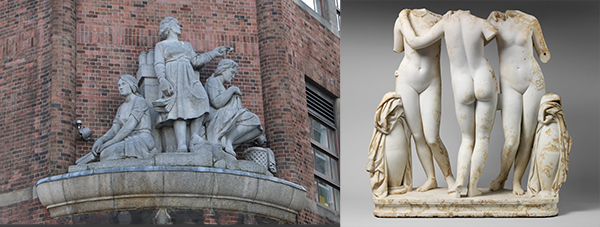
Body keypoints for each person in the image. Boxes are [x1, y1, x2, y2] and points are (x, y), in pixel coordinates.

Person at [401, 10, 498, 197]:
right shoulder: (479, 21)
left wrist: (403, 17)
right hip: (484, 77)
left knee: (467, 139)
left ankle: (459, 181)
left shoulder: (446, 23)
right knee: (482, 137)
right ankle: (473, 187)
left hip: (462, 83)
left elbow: (414, 42)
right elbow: (488, 37)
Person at [487, 10, 551, 195]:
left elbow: (543, 53)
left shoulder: (531, 20)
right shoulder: (497, 21)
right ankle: (502, 175)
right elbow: (479, 42)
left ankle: (517, 180)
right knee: (511, 141)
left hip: (533, 80)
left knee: (527, 137)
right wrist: (489, 20)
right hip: (509, 84)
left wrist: (546, 51)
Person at [392, 9, 455, 192]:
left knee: (432, 136)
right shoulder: (401, 21)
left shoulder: (440, 20)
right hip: (406, 81)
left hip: (431, 82)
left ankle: (449, 177)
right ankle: (431, 178)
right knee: (417, 135)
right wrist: (402, 18)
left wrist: (403, 17)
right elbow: (398, 48)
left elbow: (414, 43)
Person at [152, 16, 230, 152]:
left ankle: (195, 136)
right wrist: (162, 80)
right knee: (179, 109)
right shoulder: (162, 45)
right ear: (169, 26)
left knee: (202, 99)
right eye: (176, 23)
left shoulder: (186, 45)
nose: (179, 26)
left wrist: (214, 53)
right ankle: (181, 144)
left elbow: (195, 61)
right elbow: (159, 63)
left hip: (189, 75)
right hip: (173, 75)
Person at [84, 74, 155, 163]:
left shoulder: (140, 101)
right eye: (119, 85)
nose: (121, 87)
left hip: (142, 139)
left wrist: (111, 142)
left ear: (131, 85)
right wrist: (101, 140)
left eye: (123, 84)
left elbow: (129, 126)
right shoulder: (121, 108)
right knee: (104, 154)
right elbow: (114, 130)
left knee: (106, 153)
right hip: (128, 139)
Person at [204, 59, 263, 156]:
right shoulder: (213, 81)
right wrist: (232, 90)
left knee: (255, 125)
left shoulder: (221, 86)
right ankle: (226, 140)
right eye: (232, 72)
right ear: (224, 69)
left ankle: (229, 141)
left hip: (226, 114)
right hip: (217, 116)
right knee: (252, 118)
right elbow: (217, 103)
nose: (233, 76)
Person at [367, 92, 412, 197]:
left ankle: (397, 185)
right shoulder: (381, 124)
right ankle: (391, 185)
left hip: (398, 133)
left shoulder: (401, 122)